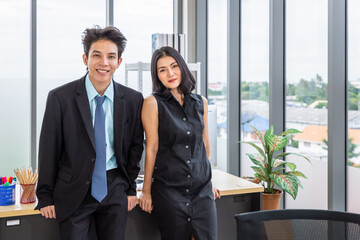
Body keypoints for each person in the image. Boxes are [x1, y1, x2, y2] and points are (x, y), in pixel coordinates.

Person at [35, 26, 144, 240]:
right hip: (74, 189)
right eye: (97, 55)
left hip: (115, 188)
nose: (104, 63)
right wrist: (45, 195)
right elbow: (49, 149)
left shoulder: (133, 99)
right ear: (85, 59)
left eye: (111, 57)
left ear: (118, 62)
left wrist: (130, 189)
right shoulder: (60, 98)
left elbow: (135, 146)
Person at [139, 46, 221, 240]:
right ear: (157, 75)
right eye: (162, 70)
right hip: (169, 191)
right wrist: (146, 191)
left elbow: (204, 145)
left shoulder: (201, 102)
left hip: (202, 191)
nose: (170, 73)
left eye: (174, 66)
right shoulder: (152, 103)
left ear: (182, 68)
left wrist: (208, 179)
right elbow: (151, 149)